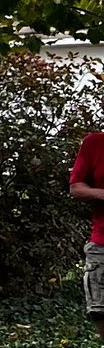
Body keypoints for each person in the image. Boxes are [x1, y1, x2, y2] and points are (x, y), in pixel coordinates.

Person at [71, 125, 104, 336]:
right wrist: (102, 194)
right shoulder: (94, 143)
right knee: (100, 313)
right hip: (102, 243)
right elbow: (75, 187)